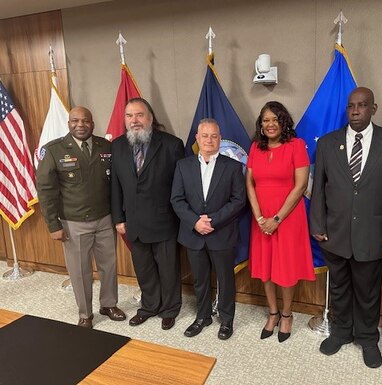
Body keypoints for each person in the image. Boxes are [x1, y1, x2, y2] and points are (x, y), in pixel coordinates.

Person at [310, 87, 382, 368]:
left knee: (368, 291)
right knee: (339, 288)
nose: (355, 110)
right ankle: (340, 332)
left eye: (362, 105)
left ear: (373, 109)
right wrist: (317, 223)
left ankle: (367, 338)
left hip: (374, 235)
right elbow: (318, 189)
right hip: (334, 232)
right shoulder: (328, 143)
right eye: (351, 106)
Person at [37, 106, 126, 329]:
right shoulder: (54, 150)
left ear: (92, 124)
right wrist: (52, 224)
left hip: (104, 218)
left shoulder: (106, 146)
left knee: (109, 266)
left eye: (85, 121)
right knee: (80, 270)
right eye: (75, 121)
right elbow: (46, 190)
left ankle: (108, 304)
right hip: (73, 222)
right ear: (68, 124)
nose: (80, 125)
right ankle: (85, 314)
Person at [111, 97, 184, 330]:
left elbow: (180, 186)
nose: (134, 120)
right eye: (129, 116)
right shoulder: (118, 145)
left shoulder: (172, 144)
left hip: (165, 220)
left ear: (151, 118)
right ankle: (150, 306)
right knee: (143, 268)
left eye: (140, 115)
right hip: (133, 221)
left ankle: (170, 309)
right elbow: (116, 186)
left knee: (168, 268)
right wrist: (118, 218)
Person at [171, 118, 246, 340]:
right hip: (193, 233)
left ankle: (226, 319)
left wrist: (212, 220)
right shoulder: (183, 166)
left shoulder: (232, 166)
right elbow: (176, 199)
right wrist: (195, 222)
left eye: (214, 136)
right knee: (200, 278)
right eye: (205, 136)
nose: (209, 140)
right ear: (197, 138)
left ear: (220, 139)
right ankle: (202, 316)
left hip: (222, 233)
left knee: (225, 278)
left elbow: (238, 200)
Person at [246, 101, 315, 343]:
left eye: (275, 119)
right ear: (261, 125)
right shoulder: (255, 147)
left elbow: (301, 186)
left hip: (287, 217)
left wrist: (276, 218)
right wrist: (259, 217)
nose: (270, 124)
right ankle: (273, 312)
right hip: (261, 218)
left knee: (285, 268)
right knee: (265, 268)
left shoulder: (296, 146)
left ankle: (287, 314)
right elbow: (250, 184)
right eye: (265, 120)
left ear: (283, 121)